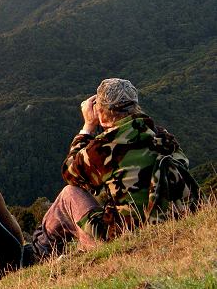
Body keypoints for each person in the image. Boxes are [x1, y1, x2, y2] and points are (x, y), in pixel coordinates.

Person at [32, 78, 200, 259]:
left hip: (120, 239)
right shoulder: (162, 136)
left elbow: (70, 173)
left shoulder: (105, 148)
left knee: (69, 194)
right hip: (167, 221)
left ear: (103, 114)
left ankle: (38, 251)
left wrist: (88, 127)